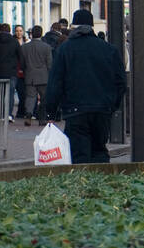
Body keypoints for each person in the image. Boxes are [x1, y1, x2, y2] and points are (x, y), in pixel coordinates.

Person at [45, 8, 126, 164]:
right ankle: (102, 185)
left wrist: (51, 111)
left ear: (74, 26)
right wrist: (112, 104)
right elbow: (120, 81)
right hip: (102, 109)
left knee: (79, 154)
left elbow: (55, 82)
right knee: (99, 150)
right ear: (91, 26)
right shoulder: (108, 49)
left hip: (75, 110)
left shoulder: (65, 50)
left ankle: (83, 186)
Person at [0, 23, 23, 121]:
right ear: (9, 31)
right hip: (12, 72)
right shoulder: (15, 42)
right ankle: (8, 114)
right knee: (10, 93)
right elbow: (20, 56)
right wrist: (20, 67)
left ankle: (1, 113)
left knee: (1, 93)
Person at [20, 25, 52, 124]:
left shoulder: (24, 47)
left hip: (30, 75)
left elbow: (22, 63)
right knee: (44, 98)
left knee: (30, 97)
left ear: (31, 34)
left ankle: (28, 115)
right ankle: (42, 118)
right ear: (41, 34)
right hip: (43, 76)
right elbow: (49, 63)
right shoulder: (46, 47)